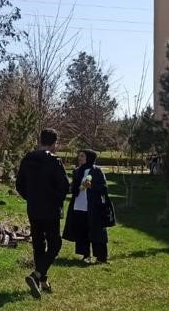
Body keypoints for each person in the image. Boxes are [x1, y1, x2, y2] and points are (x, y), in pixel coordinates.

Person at [15, 128, 70, 299]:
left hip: (33, 208)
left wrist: (30, 197)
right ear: (55, 143)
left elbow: (19, 184)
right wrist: (56, 199)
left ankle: (42, 281)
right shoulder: (54, 161)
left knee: (38, 244)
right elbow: (64, 187)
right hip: (50, 210)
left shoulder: (27, 159)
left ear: (39, 141)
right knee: (55, 244)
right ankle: (37, 274)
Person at [62, 149, 111, 264]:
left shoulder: (97, 171)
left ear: (89, 158)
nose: (79, 158)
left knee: (97, 232)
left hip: (94, 207)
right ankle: (85, 255)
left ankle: (101, 257)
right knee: (82, 232)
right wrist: (75, 187)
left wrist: (91, 186)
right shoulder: (77, 171)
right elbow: (73, 188)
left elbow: (104, 188)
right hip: (79, 206)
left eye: (82, 156)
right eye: (79, 156)